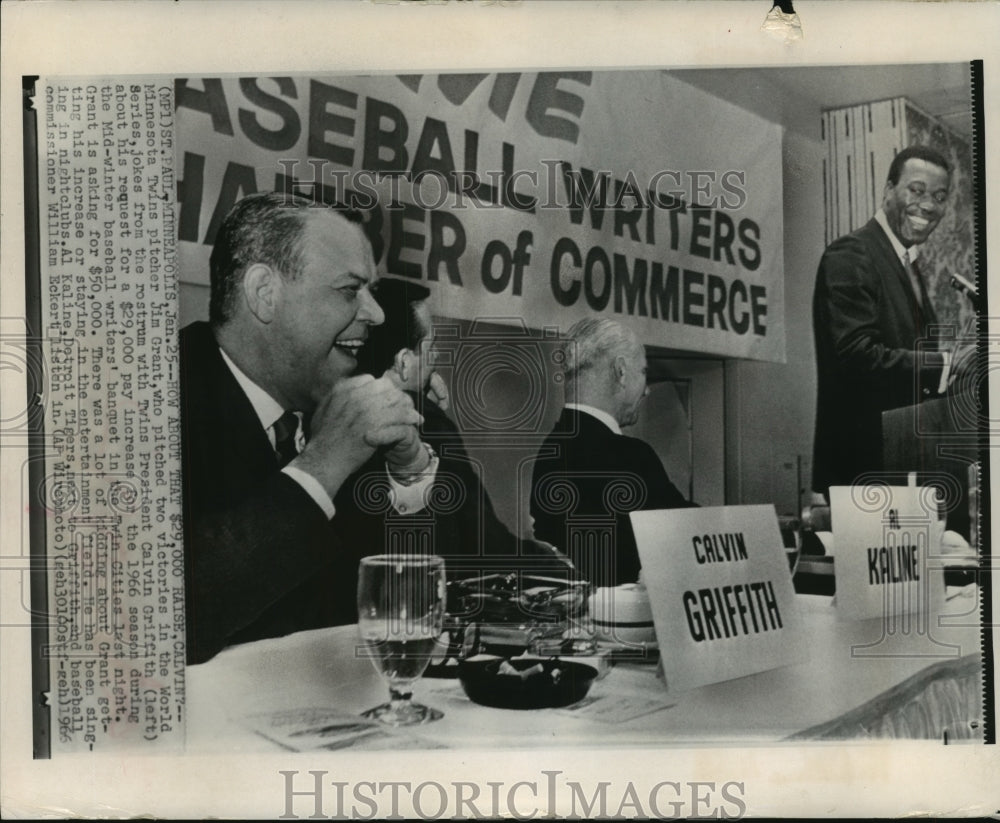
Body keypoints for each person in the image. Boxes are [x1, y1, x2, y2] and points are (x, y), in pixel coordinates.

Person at [180, 193, 439, 663]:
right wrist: (322, 464)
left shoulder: (336, 403)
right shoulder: (148, 401)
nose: (376, 315)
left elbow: (424, 603)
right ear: (264, 294)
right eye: (348, 290)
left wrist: (409, 473)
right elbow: (165, 615)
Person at [352, 277, 569, 579]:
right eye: (432, 346)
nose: (438, 358)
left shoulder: (335, 415)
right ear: (403, 363)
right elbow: (486, 543)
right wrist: (557, 566)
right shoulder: (423, 420)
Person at [812, 145, 958, 497]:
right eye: (917, 190)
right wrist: (947, 362)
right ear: (888, 189)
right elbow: (857, 356)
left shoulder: (907, 265)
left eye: (939, 197)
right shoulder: (851, 254)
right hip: (861, 473)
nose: (928, 205)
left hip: (903, 467)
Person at [530, 318, 693, 588]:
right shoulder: (631, 456)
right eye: (643, 372)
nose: (648, 389)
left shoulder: (550, 450)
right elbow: (692, 531)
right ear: (621, 371)